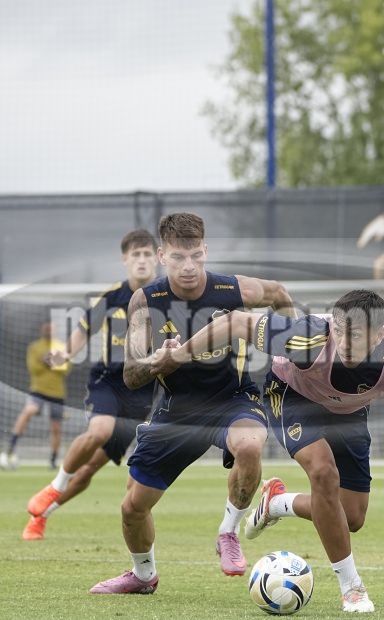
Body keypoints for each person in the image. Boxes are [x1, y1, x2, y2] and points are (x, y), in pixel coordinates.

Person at [161, 288, 384, 613]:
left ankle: (277, 503)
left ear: (380, 334)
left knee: (352, 517)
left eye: (356, 335)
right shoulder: (308, 336)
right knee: (323, 472)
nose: (344, 342)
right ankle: (352, 588)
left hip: (348, 412)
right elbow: (236, 323)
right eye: (339, 331)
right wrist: (178, 355)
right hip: (292, 394)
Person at [89, 211, 296, 594]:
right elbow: (131, 374)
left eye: (196, 256)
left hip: (233, 399)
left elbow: (279, 294)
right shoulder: (146, 301)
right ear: (162, 255)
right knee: (133, 508)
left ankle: (228, 532)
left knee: (250, 445)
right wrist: (157, 360)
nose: (188, 266)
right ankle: (143, 576)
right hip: (178, 411)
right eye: (178, 257)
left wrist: (291, 357)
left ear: (205, 251)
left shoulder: (231, 289)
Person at [22, 228, 159, 541]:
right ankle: (55, 485)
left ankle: (41, 516)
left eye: (147, 254)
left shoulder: (167, 296)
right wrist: (65, 354)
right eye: (135, 254)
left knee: (89, 470)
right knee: (99, 431)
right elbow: (84, 330)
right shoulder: (110, 297)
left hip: (143, 394)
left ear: (157, 259)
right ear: (125, 259)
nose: (141, 260)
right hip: (108, 381)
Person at [0, 320, 71, 470]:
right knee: (29, 410)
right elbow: (34, 368)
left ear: (55, 329)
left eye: (51, 328)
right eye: (46, 328)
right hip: (38, 390)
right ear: (42, 329)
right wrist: (52, 361)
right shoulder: (34, 347)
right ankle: (11, 448)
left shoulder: (60, 346)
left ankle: (53, 460)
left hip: (57, 392)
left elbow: (65, 368)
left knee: (56, 427)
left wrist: (46, 361)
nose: (49, 330)